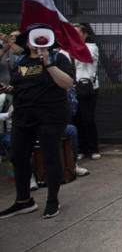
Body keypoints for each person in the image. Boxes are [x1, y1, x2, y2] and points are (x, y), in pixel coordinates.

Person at [0, 23, 74, 219]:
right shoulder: (21, 62)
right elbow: (21, 86)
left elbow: (67, 83)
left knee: (50, 156)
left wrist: (48, 63)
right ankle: (23, 201)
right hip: (24, 116)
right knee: (17, 155)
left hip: (50, 116)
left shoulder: (58, 58)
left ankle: (52, 200)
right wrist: (8, 89)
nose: (38, 41)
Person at [73, 23, 100, 160]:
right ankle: (81, 148)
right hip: (73, 87)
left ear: (85, 34)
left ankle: (93, 148)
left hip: (88, 87)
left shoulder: (91, 47)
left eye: (77, 33)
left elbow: (86, 57)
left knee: (88, 118)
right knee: (76, 119)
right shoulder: (68, 48)